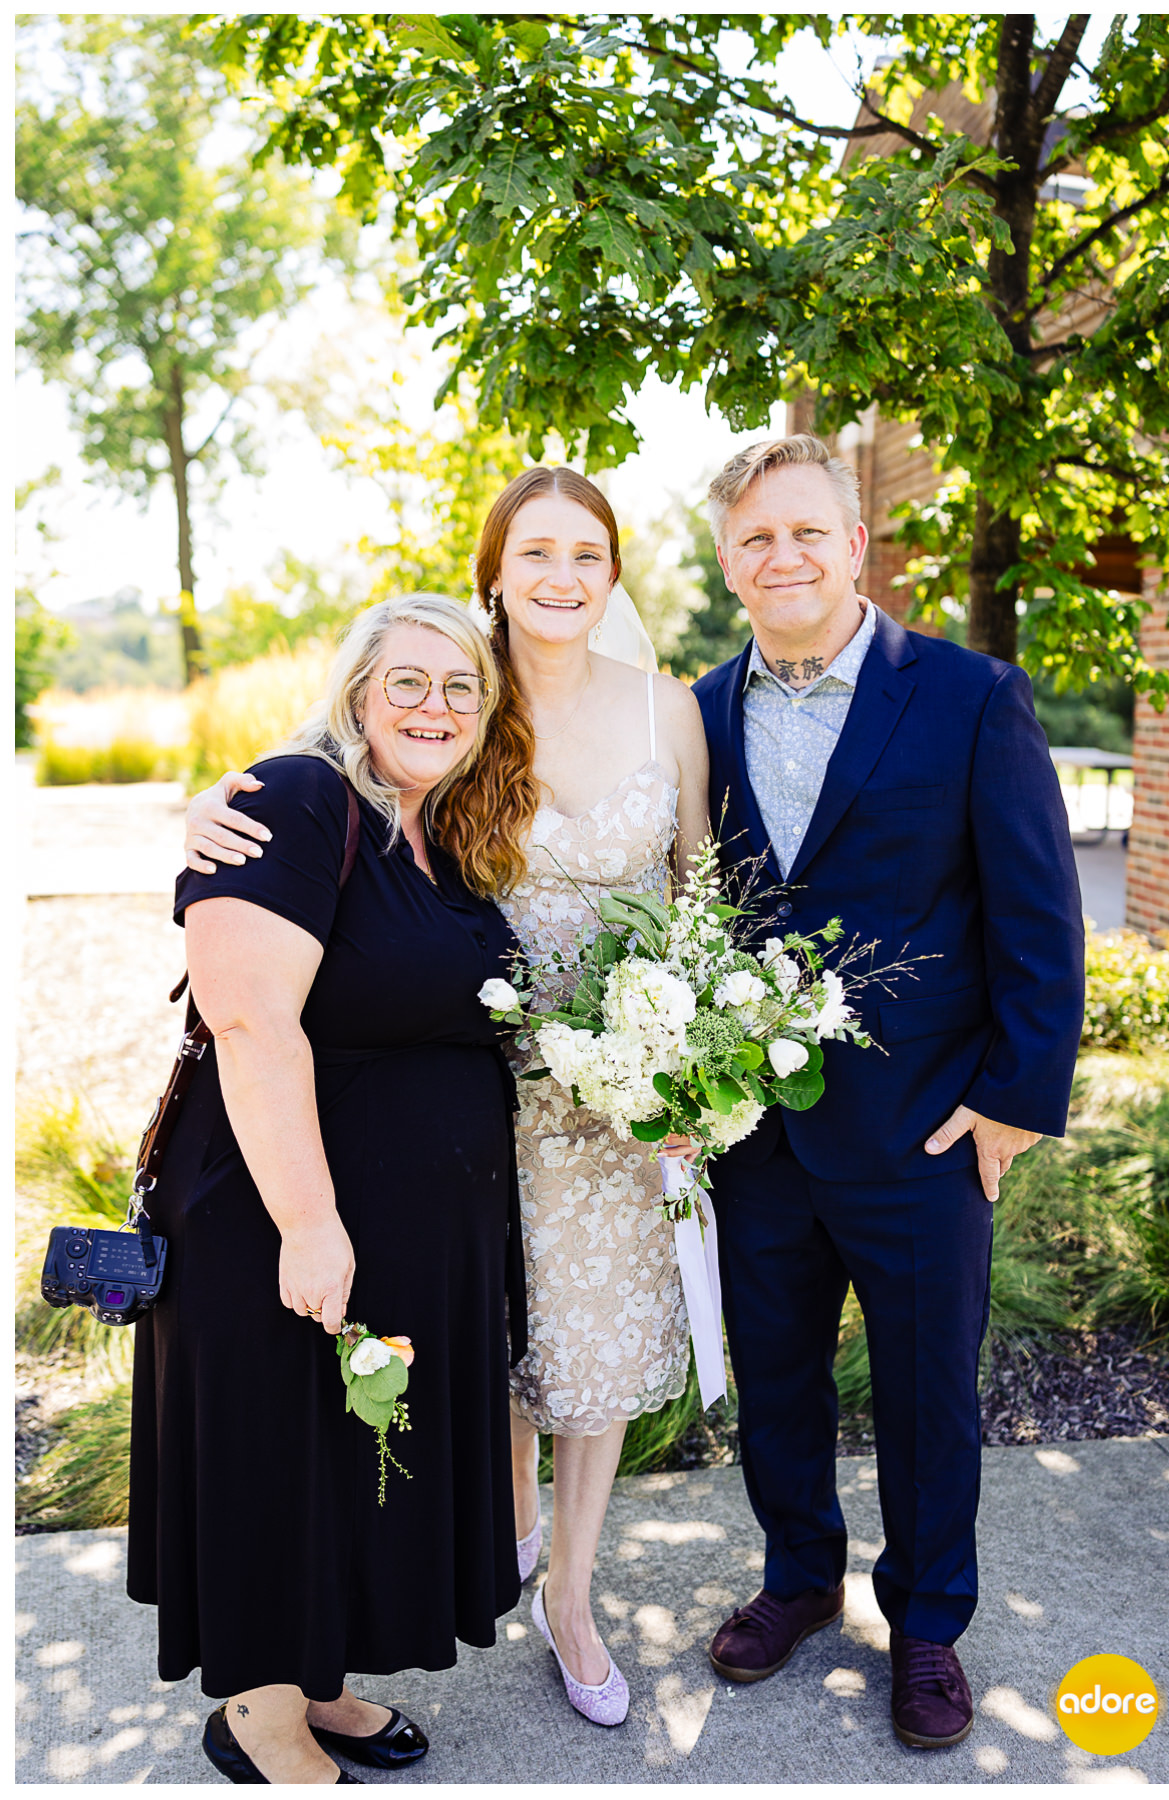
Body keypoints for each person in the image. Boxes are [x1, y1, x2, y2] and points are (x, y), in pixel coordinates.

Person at [182, 467, 711, 1728]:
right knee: (423, 1379)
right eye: (535, 551)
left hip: (602, 1108)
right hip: (439, 1115)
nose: (561, 577)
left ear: (617, 573)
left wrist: (696, 1062)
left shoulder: (660, 715)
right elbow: (303, 841)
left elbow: (702, 896)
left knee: (555, 1363)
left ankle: (558, 1600)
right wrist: (199, 804)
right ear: (494, 571)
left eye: (589, 553)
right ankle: (346, 1652)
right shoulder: (431, 716)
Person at [691, 435, 1085, 1748]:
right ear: (729, 560)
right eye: (756, 537)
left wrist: (1017, 1098)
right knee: (779, 1374)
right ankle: (799, 1578)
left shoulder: (970, 697)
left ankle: (927, 1624)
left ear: (857, 546)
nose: (783, 555)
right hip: (756, 1131)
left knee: (928, 1391)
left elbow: (1038, 913)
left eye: (807, 531)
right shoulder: (692, 713)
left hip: (925, 1126)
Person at [127, 595, 534, 1784]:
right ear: (358, 690)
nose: (436, 708)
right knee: (276, 1447)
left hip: (400, 1226)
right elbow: (249, 1020)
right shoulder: (300, 799)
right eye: (408, 682)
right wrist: (311, 1225)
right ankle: (259, 1714)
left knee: (352, 1453)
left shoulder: (430, 835)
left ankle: (319, 1680)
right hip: (279, 1214)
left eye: (462, 688)